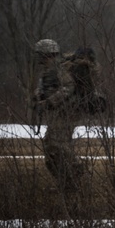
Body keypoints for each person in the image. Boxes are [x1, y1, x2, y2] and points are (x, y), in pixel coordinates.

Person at [30, 38, 88, 193]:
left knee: (56, 144)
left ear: (46, 54)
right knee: (52, 145)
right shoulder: (48, 70)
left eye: (40, 55)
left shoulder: (60, 68)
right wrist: (38, 97)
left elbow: (68, 87)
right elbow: (45, 87)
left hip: (68, 111)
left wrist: (50, 102)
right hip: (60, 112)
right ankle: (67, 182)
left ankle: (75, 169)